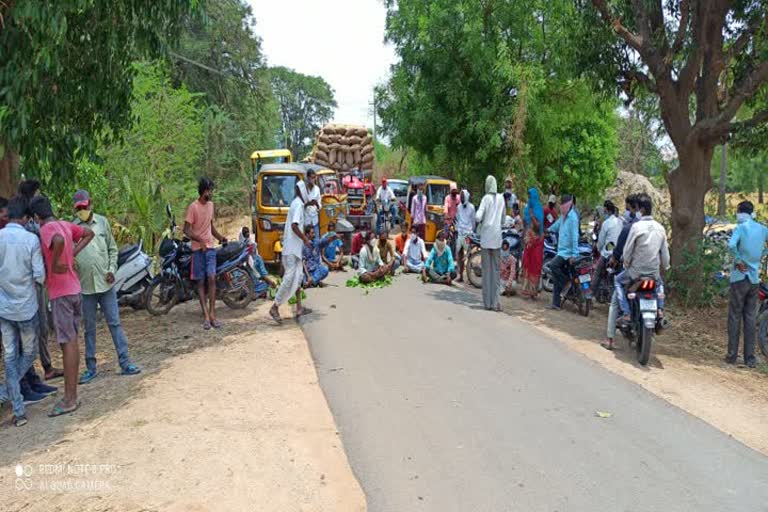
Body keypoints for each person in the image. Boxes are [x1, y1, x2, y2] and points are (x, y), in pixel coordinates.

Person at [30, 195, 94, 417]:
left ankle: (69, 399)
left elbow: (56, 240)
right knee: (72, 342)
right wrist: (72, 254)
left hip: (61, 293)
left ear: (37, 217)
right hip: (74, 289)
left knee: (67, 344)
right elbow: (88, 233)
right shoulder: (66, 224)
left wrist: (57, 260)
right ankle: (71, 394)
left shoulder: (47, 229)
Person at [72, 190, 140, 384]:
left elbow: (112, 249)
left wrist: (111, 269)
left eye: (84, 207)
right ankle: (91, 368)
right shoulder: (72, 228)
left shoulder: (102, 222)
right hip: (85, 287)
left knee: (115, 323)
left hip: (106, 283)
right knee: (89, 329)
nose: (82, 211)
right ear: (74, 209)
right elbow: (70, 255)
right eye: (79, 208)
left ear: (90, 204)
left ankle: (125, 363)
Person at [0, 196, 47, 426]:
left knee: (9, 357)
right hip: (26, 308)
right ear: (26, 218)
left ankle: (19, 412)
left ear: (8, 215)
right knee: (28, 354)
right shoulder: (31, 240)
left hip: (4, 308)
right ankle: (5, 392)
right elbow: (39, 276)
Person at [16, 179, 62, 380]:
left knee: (40, 326)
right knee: (36, 326)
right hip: (33, 281)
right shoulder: (29, 223)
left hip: (34, 280)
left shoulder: (28, 220)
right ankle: (34, 372)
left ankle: (44, 366)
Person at [615, 193, 670, 327]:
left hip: (636, 272)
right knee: (659, 284)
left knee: (617, 281)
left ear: (642, 210)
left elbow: (627, 251)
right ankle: (660, 310)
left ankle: (626, 313)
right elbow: (665, 254)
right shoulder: (660, 228)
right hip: (653, 273)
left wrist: (626, 263)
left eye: (638, 209)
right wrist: (666, 266)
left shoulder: (636, 227)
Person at [726, 201, 768, 368]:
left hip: (739, 277)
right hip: (754, 279)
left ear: (740, 212)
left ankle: (731, 355)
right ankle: (749, 358)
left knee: (735, 316)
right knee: (750, 318)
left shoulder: (741, 228)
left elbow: (730, 245)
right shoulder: (762, 228)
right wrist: (761, 256)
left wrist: (738, 260)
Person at [184, 178, 227, 330]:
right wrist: (199, 240)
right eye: (209, 190)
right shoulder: (193, 207)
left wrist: (220, 237)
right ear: (203, 191)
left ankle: (213, 314)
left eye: (212, 190)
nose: (211, 193)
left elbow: (211, 227)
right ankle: (206, 316)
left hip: (210, 249)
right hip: (197, 250)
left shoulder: (211, 206)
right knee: (201, 282)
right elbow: (186, 230)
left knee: (212, 278)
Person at [270, 181, 312, 323]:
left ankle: (299, 307)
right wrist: (305, 238)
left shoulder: (296, 203)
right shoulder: (299, 205)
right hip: (292, 249)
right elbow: (294, 226)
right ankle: (275, 306)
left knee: (298, 277)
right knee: (289, 279)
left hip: (293, 248)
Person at [603, 194, 640, 350]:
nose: (625, 212)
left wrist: (614, 259)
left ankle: (610, 339)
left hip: (630, 271)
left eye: (627, 208)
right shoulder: (655, 228)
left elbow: (617, 251)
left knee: (614, 303)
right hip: (651, 273)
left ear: (632, 208)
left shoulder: (628, 228)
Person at [476, 175, 506, 311]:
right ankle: (496, 302)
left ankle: (487, 303)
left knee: (487, 271)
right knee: (496, 272)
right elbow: (503, 219)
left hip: (486, 239)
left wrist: (480, 220)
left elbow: (477, 217)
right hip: (497, 239)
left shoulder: (485, 199)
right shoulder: (501, 199)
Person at [547, 194, 579, 310]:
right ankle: (555, 303)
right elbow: (556, 226)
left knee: (553, 266)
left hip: (567, 253)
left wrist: (574, 255)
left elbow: (575, 237)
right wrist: (547, 230)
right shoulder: (564, 217)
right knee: (556, 276)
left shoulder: (573, 218)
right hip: (561, 250)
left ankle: (566, 282)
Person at [591, 200, 622, 295]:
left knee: (597, 274)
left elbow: (601, 242)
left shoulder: (606, 223)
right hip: (618, 254)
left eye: (604, 212)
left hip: (607, 253)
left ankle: (590, 296)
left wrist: (600, 250)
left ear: (607, 211)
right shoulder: (620, 222)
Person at [239, 227, 276, 296]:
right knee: (259, 278)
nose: (247, 234)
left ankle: (259, 291)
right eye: (245, 233)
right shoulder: (244, 242)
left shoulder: (250, 243)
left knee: (260, 277)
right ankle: (262, 290)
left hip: (254, 261)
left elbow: (248, 255)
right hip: (253, 262)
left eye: (248, 232)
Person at [520, 216, 544, 299]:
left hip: (535, 257)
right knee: (530, 273)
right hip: (531, 257)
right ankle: (530, 292)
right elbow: (526, 242)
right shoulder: (532, 232)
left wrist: (530, 242)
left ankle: (532, 293)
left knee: (533, 274)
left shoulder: (538, 234)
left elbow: (528, 242)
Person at [455, 190, 476, 283]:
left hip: (468, 233)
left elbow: (473, 221)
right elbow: (458, 219)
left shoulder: (471, 207)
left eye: (463, 196)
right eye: (461, 196)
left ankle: (470, 277)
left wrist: (471, 232)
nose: (462, 198)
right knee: (459, 254)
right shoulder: (459, 207)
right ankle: (460, 275)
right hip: (460, 232)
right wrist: (457, 229)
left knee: (469, 254)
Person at [304, 170, 322, 240]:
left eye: (314, 178)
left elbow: (319, 206)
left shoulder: (317, 189)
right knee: (306, 241)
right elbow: (301, 205)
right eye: (312, 178)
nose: (313, 180)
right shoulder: (304, 189)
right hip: (306, 220)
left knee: (316, 241)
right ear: (308, 178)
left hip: (314, 220)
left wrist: (316, 203)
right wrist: (308, 204)